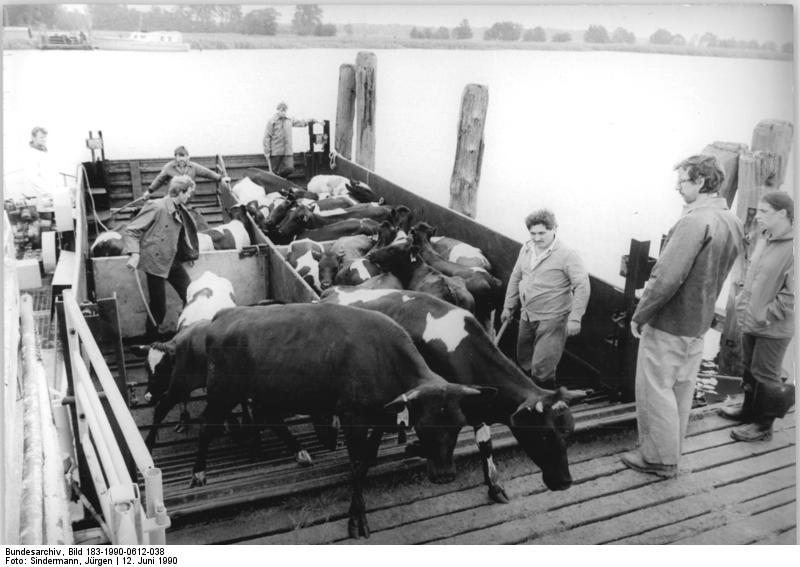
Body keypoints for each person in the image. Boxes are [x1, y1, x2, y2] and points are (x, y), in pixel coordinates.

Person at [622, 154, 744, 478]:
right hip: (698, 324)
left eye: (683, 180)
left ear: (701, 181)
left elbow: (666, 277)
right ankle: (670, 453)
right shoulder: (731, 221)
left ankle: (658, 459)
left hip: (669, 324)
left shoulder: (693, 220)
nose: (677, 186)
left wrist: (641, 313)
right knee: (681, 392)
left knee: (655, 390)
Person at [719, 191, 795, 441]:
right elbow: (753, 275)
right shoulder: (765, 237)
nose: (758, 216)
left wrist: (765, 314)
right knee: (749, 369)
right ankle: (748, 410)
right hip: (750, 317)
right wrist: (744, 304)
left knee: (767, 375)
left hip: (772, 326)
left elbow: (792, 296)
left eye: (765, 211)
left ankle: (763, 427)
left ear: (783, 213)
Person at [500, 209, 590, 389]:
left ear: (554, 229)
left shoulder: (568, 254)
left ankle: (546, 401)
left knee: (542, 367)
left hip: (553, 318)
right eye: (532, 233)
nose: (537, 238)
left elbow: (582, 286)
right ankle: (529, 394)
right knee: (524, 358)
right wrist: (508, 306)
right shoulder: (526, 249)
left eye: (542, 233)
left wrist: (575, 318)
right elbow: (516, 277)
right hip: (527, 315)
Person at [124, 175, 200, 341]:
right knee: (159, 307)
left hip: (173, 260)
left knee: (190, 294)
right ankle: (151, 339)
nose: (189, 197)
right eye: (188, 193)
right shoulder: (156, 206)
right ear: (180, 192)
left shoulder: (180, 208)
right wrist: (135, 254)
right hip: (155, 262)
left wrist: (187, 253)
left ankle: (185, 332)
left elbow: (180, 234)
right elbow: (131, 230)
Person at [144, 146, 229, 199]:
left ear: (188, 157)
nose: (180, 159)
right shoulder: (168, 167)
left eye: (183, 156)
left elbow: (207, 173)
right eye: (178, 156)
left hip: (187, 198)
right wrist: (149, 192)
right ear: (175, 157)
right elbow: (159, 180)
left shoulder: (193, 167)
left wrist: (221, 179)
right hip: (174, 198)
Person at [262, 102, 318, 177]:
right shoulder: (272, 121)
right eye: (281, 110)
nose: (283, 112)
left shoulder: (289, 119)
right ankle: (278, 184)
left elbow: (300, 122)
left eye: (284, 110)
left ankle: (281, 179)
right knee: (274, 172)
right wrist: (267, 151)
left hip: (288, 152)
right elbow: (267, 137)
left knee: (289, 168)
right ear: (277, 110)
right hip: (276, 152)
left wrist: (310, 121)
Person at [24, 126, 58, 204]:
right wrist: (49, 191)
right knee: (46, 215)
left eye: (45, 137)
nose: (44, 139)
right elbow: (32, 177)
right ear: (33, 138)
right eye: (41, 137)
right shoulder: (31, 154)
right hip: (42, 195)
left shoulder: (44, 151)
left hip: (52, 193)